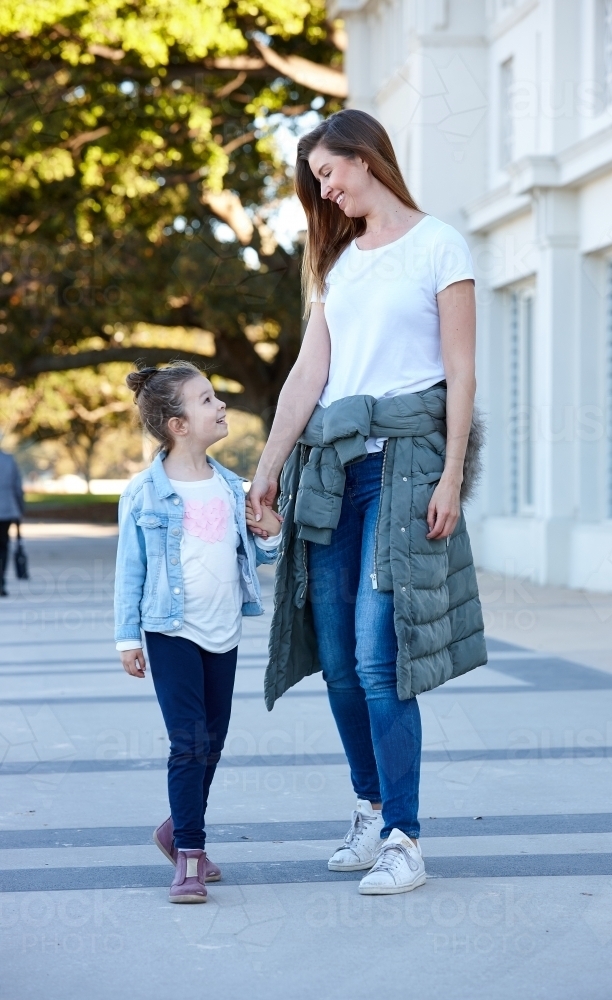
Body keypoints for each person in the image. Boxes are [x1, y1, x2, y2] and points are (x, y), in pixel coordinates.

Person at [248, 109, 487, 896]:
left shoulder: (437, 244)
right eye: (316, 179)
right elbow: (307, 378)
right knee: (340, 664)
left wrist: (452, 475)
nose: (324, 188)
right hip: (334, 474)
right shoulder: (339, 262)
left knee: (380, 661)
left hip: (405, 468)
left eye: (328, 171)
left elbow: (460, 371)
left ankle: (404, 837)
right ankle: (370, 809)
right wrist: (268, 466)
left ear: (363, 157)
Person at [114, 362, 281, 904]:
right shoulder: (144, 494)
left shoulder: (234, 489)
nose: (220, 405)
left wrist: (272, 534)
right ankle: (189, 853)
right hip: (171, 631)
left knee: (213, 741)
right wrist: (127, 638)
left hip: (224, 632)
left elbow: (257, 553)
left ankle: (175, 828)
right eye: (207, 400)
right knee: (188, 742)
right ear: (177, 424)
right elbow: (130, 571)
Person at [0, 448, 24, 597]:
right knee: (3, 546)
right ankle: (1, 581)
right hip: (7, 510)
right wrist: (20, 509)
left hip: (7, 510)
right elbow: (18, 488)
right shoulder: (8, 460)